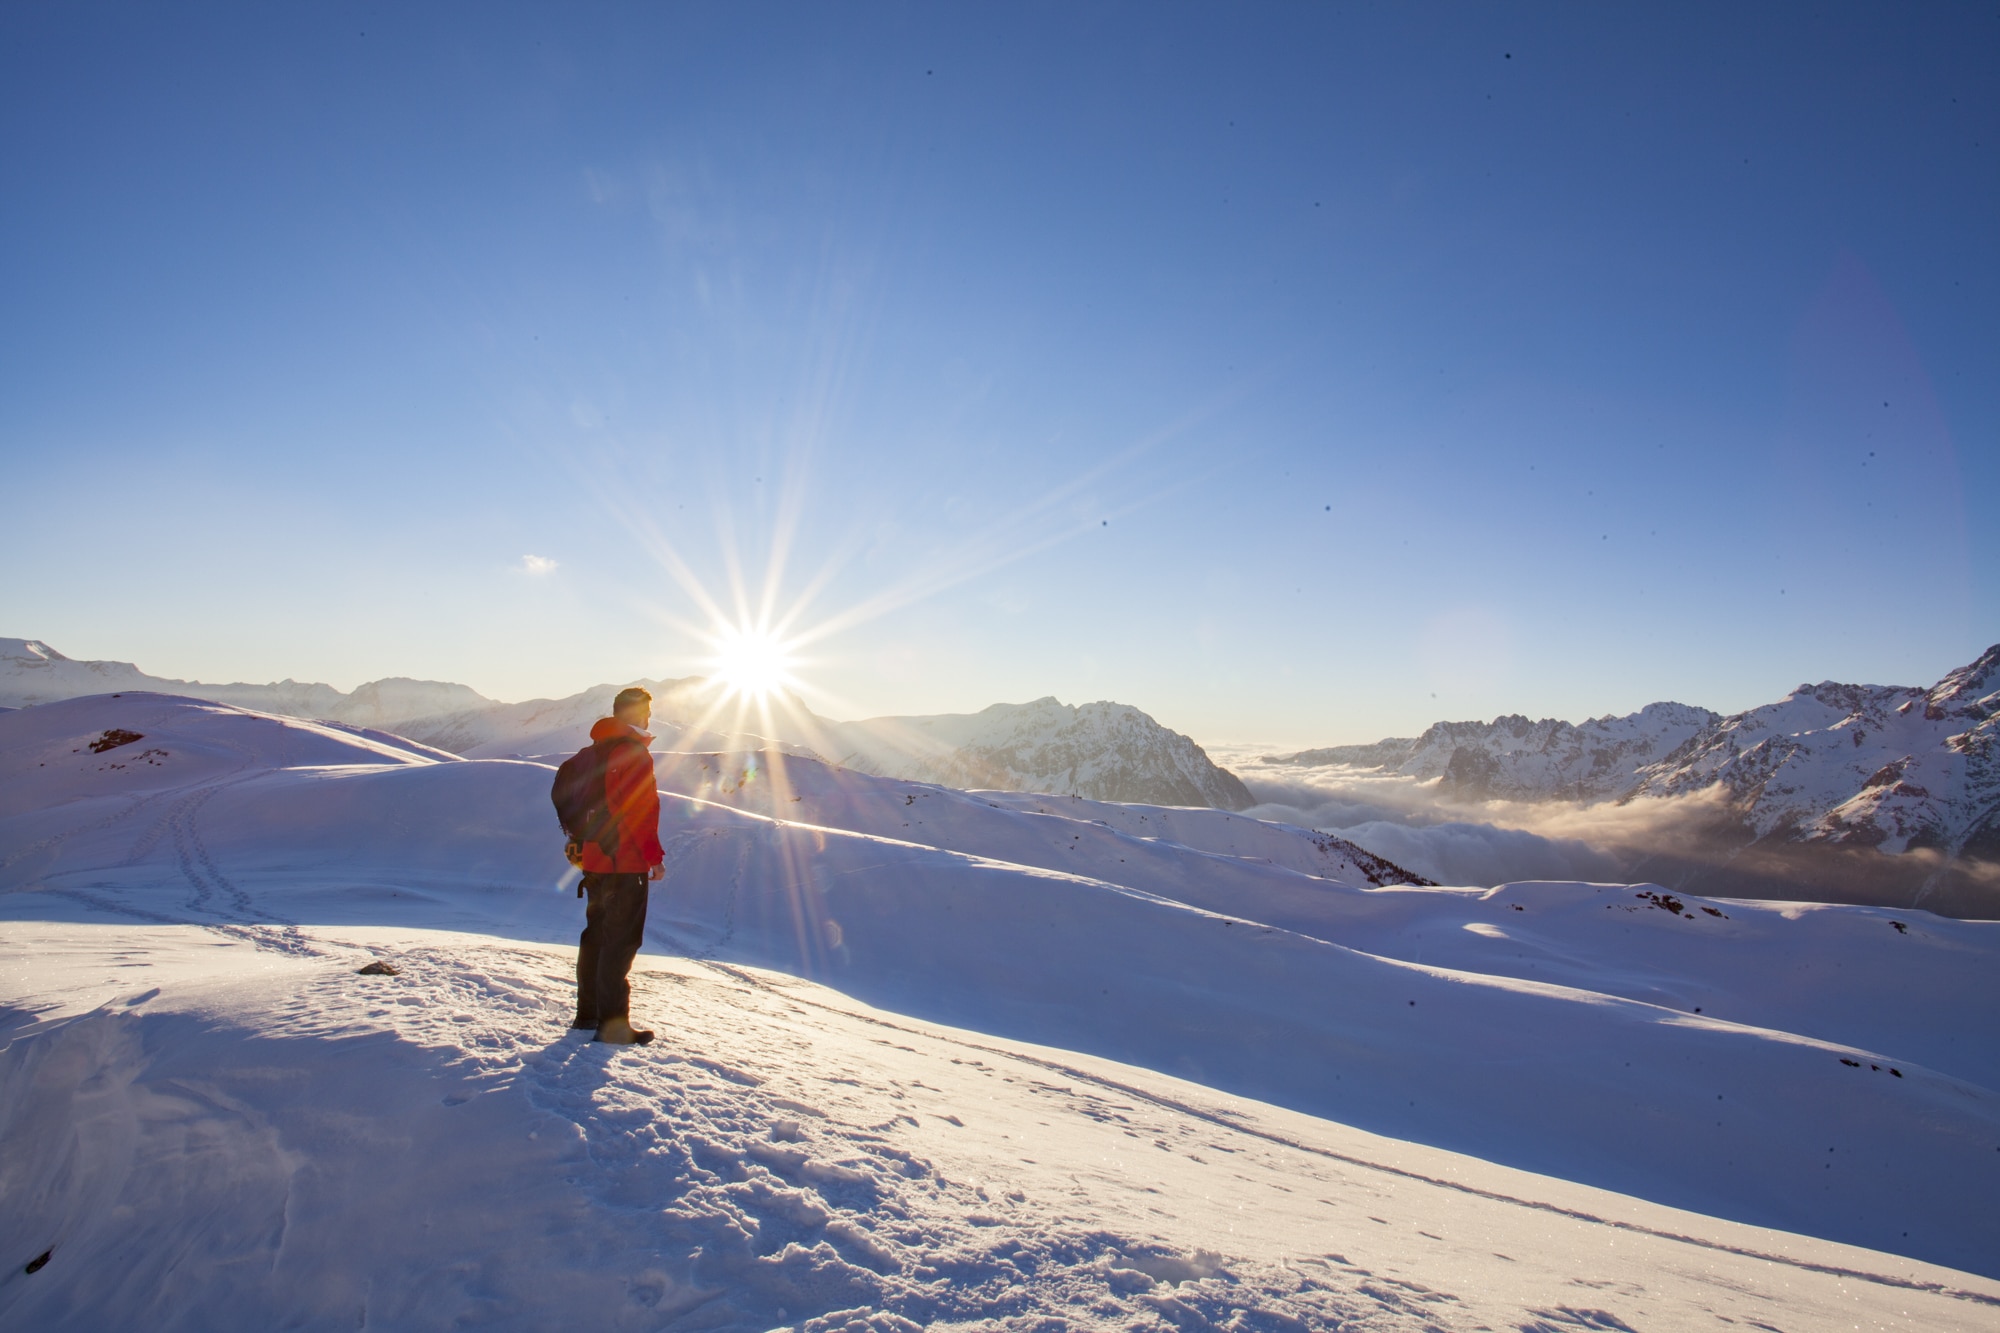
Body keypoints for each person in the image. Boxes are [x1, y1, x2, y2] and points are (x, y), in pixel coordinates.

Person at [572, 686, 665, 1045]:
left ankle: (588, 1014)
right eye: (646, 712)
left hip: (595, 858)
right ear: (639, 715)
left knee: (595, 935)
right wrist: (653, 858)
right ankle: (613, 1026)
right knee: (621, 940)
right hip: (624, 861)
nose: (649, 719)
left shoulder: (596, 750)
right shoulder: (633, 752)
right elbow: (640, 811)